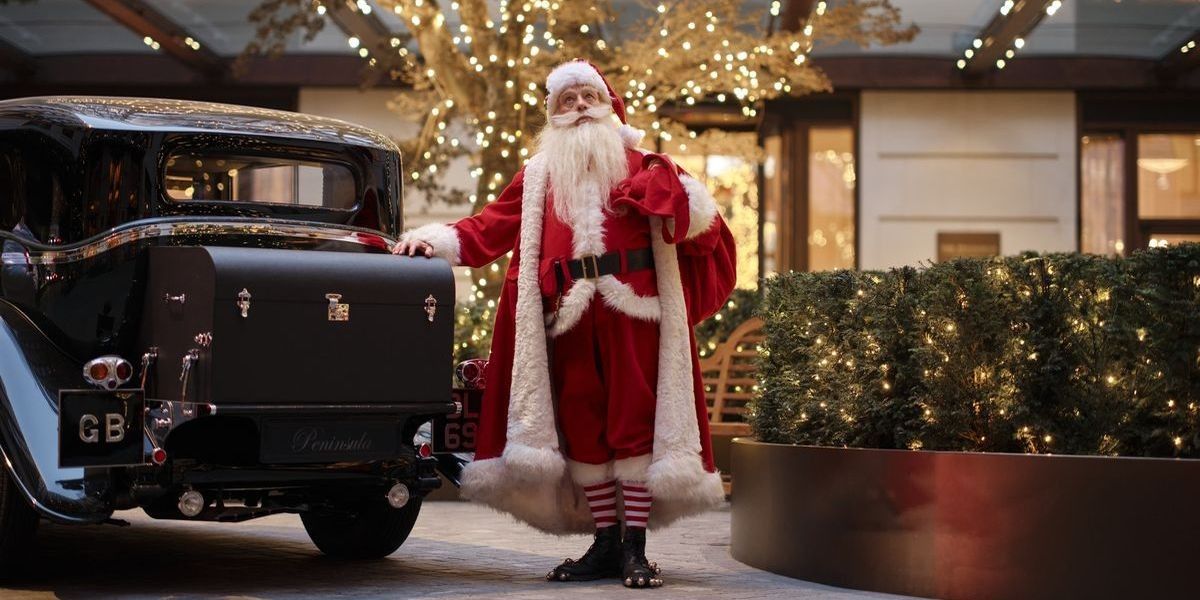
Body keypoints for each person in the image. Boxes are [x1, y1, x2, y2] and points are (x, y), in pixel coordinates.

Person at [393, 59, 736, 589]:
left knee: (634, 422)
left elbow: (702, 228)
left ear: (607, 105)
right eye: (566, 100)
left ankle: (635, 548)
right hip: (566, 315)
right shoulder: (537, 176)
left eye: (587, 98)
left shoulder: (647, 165)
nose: (579, 108)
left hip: (637, 313)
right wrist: (432, 242)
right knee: (581, 422)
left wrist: (671, 196)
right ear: (552, 114)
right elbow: (489, 226)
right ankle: (605, 542)